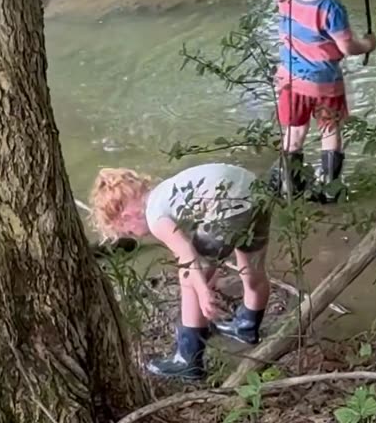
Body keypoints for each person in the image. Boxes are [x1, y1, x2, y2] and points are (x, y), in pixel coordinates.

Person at [90, 163, 272, 381]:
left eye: (128, 231)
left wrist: (204, 292)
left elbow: (187, 256)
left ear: (127, 215)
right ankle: (247, 326)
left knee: (188, 278)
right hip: (256, 192)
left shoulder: (155, 217)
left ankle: (188, 360)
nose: (134, 236)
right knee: (251, 269)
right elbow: (209, 248)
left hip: (228, 207)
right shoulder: (165, 193)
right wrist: (208, 275)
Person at [272, 0, 376, 203]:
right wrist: (368, 44)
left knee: (294, 134)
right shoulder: (331, 8)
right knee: (329, 131)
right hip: (323, 84)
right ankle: (328, 191)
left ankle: (288, 188)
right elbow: (348, 47)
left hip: (290, 80)